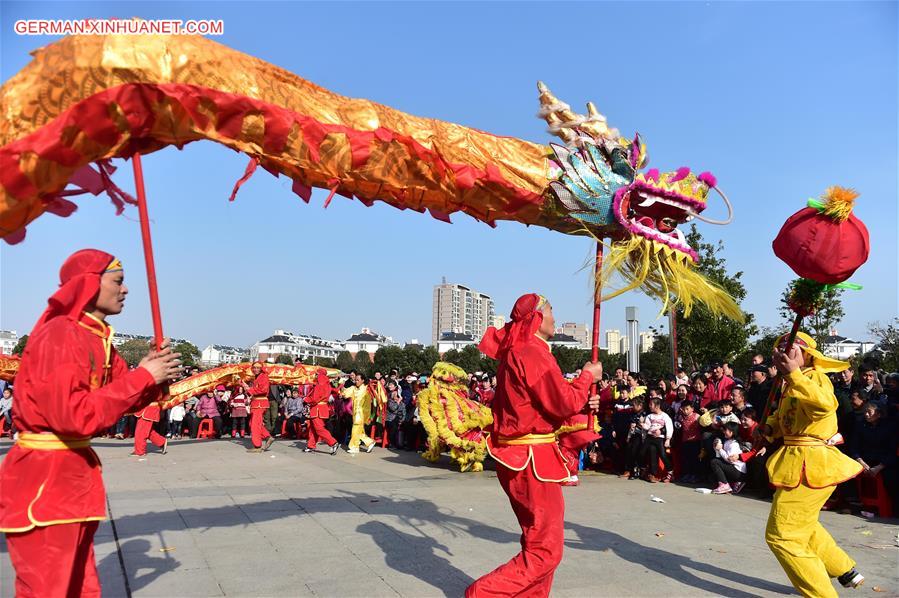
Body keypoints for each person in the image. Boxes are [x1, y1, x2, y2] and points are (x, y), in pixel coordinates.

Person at [0, 249, 181, 597]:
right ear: (87, 285)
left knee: (82, 587)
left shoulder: (97, 337)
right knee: (48, 591)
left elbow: (123, 395)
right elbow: (72, 417)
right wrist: (144, 376)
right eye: (118, 281)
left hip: (71, 482)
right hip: (45, 482)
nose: (126, 289)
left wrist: (155, 373)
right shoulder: (60, 335)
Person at [466, 293, 601, 597]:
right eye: (551, 310)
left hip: (524, 456)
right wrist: (585, 378)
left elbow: (540, 406)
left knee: (537, 541)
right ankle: (482, 593)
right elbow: (561, 402)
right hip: (530, 460)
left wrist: (581, 399)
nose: (554, 316)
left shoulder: (525, 351)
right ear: (537, 318)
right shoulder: (531, 352)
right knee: (546, 550)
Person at [762, 332, 866, 596]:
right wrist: (770, 427)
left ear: (807, 353)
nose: (783, 354)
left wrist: (794, 375)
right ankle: (844, 569)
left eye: (790, 349)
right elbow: (784, 416)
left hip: (810, 463)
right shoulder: (791, 382)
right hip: (796, 459)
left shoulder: (813, 377)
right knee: (802, 523)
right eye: (780, 350)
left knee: (782, 535)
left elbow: (824, 406)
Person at [242, 361, 274, 452]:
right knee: (252, 423)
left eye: (258, 368)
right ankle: (267, 437)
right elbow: (254, 391)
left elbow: (263, 390)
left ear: (261, 368)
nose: (256, 369)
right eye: (254, 368)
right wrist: (246, 387)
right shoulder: (257, 377)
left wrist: (250, 389)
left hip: (260, 403)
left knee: (255, 424)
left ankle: (257, 446)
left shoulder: (264, 376)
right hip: (256, 402)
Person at [304, 368, 339, 454]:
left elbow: (315, 399)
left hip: (317, 409)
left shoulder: (320, 384)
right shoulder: (326, 384)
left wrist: (306, 399)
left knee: (318, 428)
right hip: (320, 409)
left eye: (316, 374)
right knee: (313, 428)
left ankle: (333, 442)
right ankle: (310, 445)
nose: (315, 376)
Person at [641, 397, 674, 483]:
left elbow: (669, 427)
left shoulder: (665, 416)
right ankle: (649, 472)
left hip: (660, 438)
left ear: (657, 406)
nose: (649, 406)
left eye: (651, 404)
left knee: (663, 455)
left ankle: (670, 472)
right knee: (644, 452)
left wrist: (668, 439)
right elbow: (647, 427)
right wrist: (643, 425)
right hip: (649, 437)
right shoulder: (649, 416)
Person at [342, 374, 376, 454]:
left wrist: (367, 416)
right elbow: (345, 394)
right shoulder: (354, 388)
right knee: (359, 431)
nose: (356, 381)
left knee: (355, 428)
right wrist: (341, 388)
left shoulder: (366, 389)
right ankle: (370, 442)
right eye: (355, 380)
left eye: (358, 380)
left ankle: (354, 447)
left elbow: (368, 404)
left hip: (361, 412)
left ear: (363, 380)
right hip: (355, 412)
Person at [709, 422, 746, 494]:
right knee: (712, 477)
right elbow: (722, 456)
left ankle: (725, 485)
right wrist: (717, 448)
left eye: (726, 430)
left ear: (731, 432)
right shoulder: (728, 441)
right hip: (734, 469)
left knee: (715, 462)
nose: (724, 432)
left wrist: (720, 449)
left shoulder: (734, 444)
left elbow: (730, 460)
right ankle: (733, 483)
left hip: (738, 471)